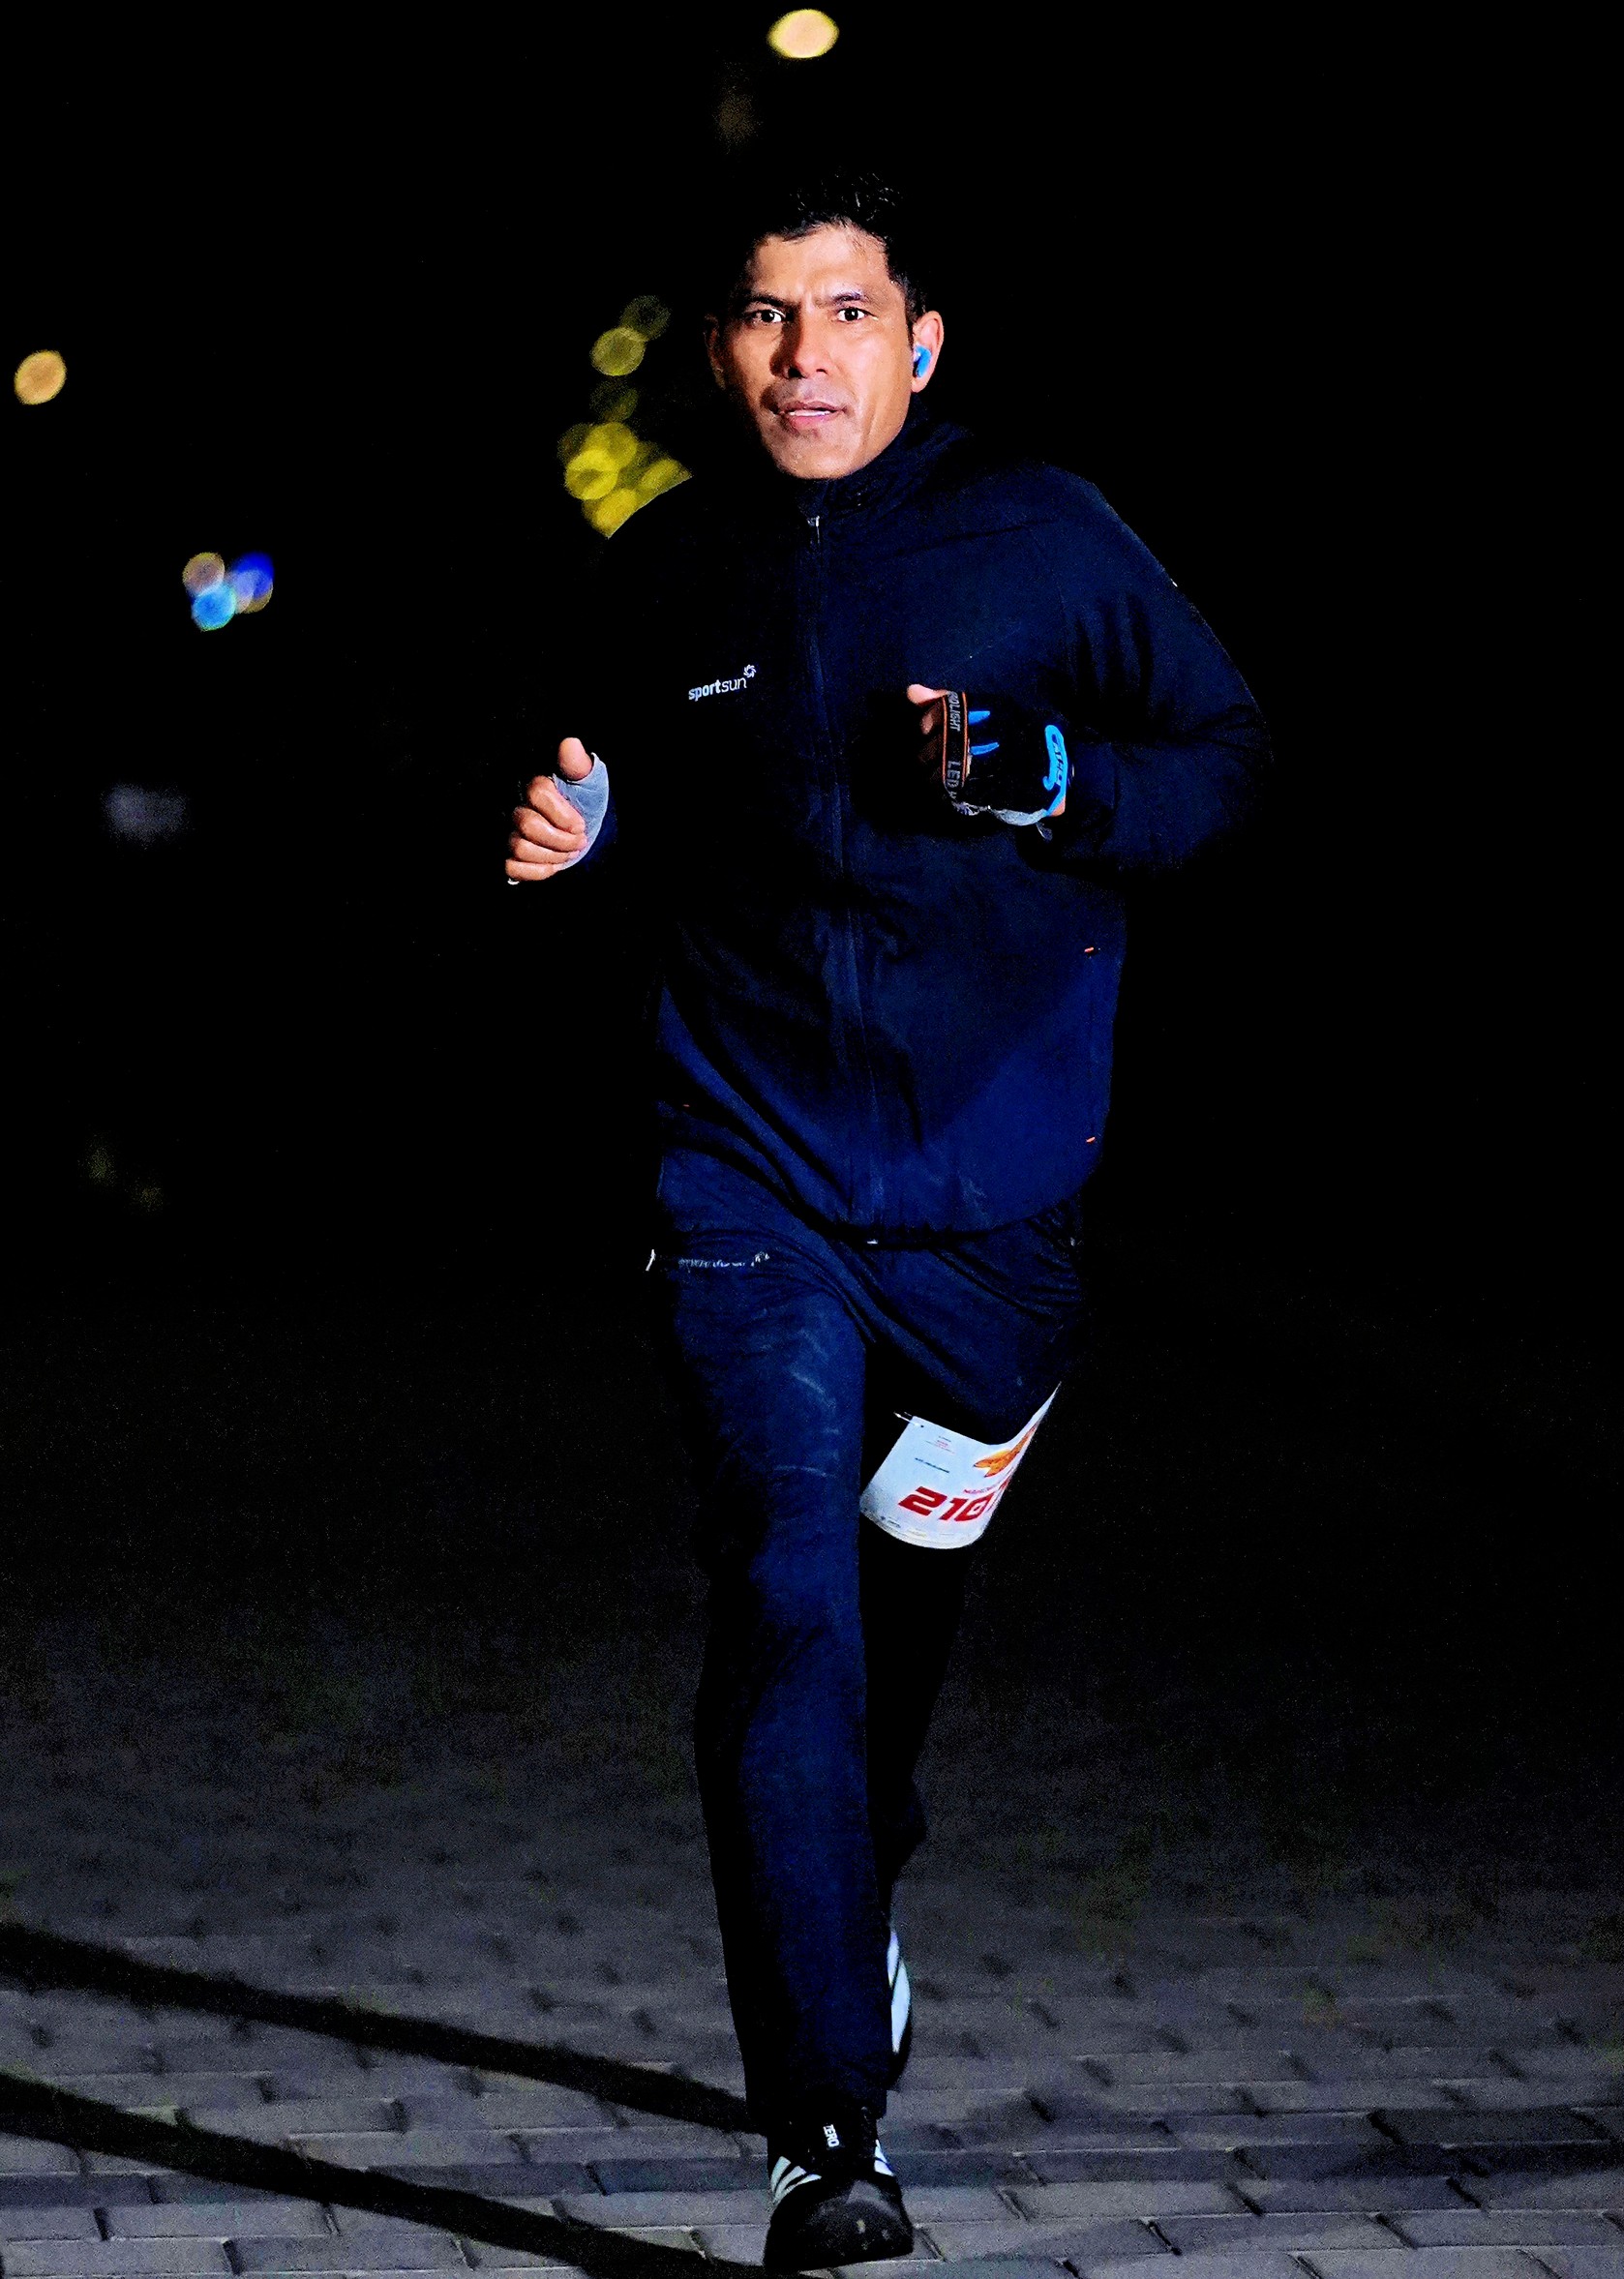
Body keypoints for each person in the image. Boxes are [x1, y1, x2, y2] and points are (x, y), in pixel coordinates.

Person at [504, 169, 1269, 2268]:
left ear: (919, 344)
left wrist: (1056, 781)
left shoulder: (1044, 534)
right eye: (765, 315)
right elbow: (619, 807)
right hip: (745, 1173)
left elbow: (1223, 753)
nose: (801, 355)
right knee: (784, 1597)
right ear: (720, 348)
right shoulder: (668, 567)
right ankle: (823, 2133)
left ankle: (855, 1888)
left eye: (844, 313)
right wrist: (578, 837)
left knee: (888, 1647)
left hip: (999, 1218)